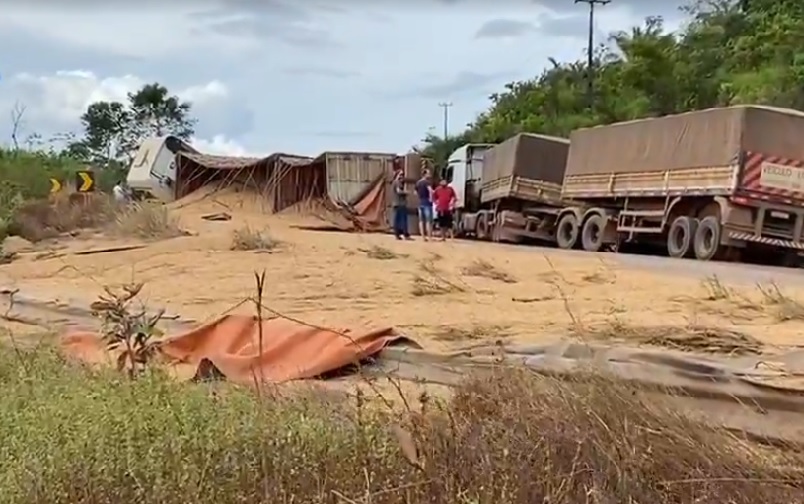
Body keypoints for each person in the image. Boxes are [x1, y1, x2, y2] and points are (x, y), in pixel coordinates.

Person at [391, 170, 412, 240]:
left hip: (398, 203)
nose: (401, 176)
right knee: (401, 220)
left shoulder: (398, 183)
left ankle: (398, 234)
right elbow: (398, 191)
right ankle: (404, 234)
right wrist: (406, 192)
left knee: (398, 220)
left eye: (402, 175)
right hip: (399, 203)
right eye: (400, 174)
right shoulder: (397, 182)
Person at [415, 169, 434, 240]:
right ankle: (429, 237)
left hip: (420, 202)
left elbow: (415, 192)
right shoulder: (427, 182)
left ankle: (423, 237)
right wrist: (431, 199)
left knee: (421, 220)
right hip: (427, 203)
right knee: (428, 221)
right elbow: (430, 191)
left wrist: (419, 197)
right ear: (425, 174)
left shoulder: (418, 183)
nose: (429, 175)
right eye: (428, 173)